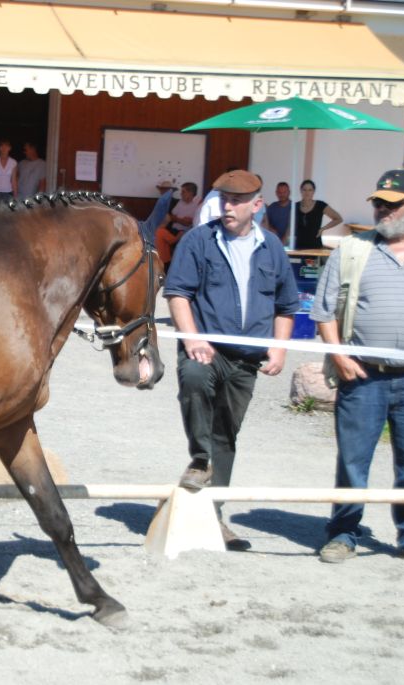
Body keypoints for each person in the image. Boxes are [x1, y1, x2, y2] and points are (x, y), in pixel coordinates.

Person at [310, 169, 404, 566]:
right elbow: (323, 311)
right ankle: (343, 534)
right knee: (353, 461)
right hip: (362, 376)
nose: (383, 209)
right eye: (379, 203)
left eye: (392, 204)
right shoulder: (351, 250)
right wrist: (339, 356)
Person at [164, 169, 298, 551]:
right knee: (193, 378)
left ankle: (213, 516)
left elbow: (287, 305)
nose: (227, 207)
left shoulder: (272, 247)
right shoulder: (198, 240)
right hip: (206, 348)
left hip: (247, 359)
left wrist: (279, 348)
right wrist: (193, 337)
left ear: (257, 205)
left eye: (237, 201)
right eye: (224, 199)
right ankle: (199, 459)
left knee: (226, 433)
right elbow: (177, 293)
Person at [154, 182, 199, 272]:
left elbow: (189, 222)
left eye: (183, 192)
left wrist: (177, 219)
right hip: (173, 230)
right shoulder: (180, 202)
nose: (181, 194)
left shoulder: (198, 203)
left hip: (186, 233)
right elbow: (171, 216)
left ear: (190, 193)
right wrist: (181, 220)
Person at [294, 179, 343, 250]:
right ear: (301, 191)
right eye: (304, 190)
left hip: (315, 245)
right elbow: (289, 225)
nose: (307, 192)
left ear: (313, 191)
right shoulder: (295, 206)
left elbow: (338, 219)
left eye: (310, 190)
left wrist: (323, 229)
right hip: (299, 246)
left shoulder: (320, 205)